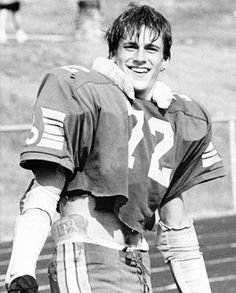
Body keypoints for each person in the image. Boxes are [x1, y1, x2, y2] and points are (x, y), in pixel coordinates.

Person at [5, 2, 225, 293]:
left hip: (139, 265)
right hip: (89, 257)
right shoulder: (86, 93)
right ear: (113, 53)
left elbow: (177, 227)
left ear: (165, 59)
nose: (140, 57)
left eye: (151, 49)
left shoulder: (173, 120)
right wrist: (20, 269)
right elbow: (44, 191)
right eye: (130, 47)